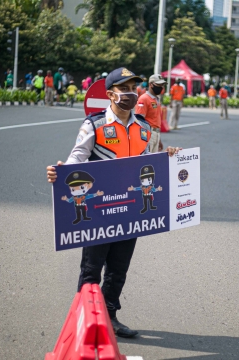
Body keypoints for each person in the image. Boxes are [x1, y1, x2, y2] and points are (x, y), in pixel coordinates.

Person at [46, 67, 181, 338]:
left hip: (130, 210)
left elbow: (149, 162)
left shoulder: (143, 127)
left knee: (119, 268)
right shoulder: (94, 125)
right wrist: (61, 173)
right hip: (99, 211)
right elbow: (77, 157)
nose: (131, 94)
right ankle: (84, 319)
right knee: (92, 268)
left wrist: (169, 157)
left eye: (134, 88)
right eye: (125, 89)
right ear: (110, 94)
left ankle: (109, 316)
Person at [135, 74, 166, 153]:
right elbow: (139, 122)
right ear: (151, 84)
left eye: (162, 85)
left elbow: (156, 120)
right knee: (146, 161)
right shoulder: (144, 98)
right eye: (159, 85)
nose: (161, 87)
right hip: (148, 134)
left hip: (156, 133)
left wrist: (159, 139)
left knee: (153, 162)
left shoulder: (156, 99)